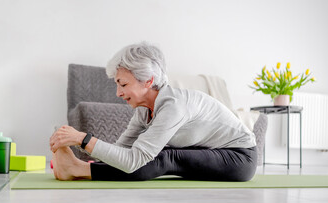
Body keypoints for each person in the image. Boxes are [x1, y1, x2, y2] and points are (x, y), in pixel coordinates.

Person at [50, 42, 257, 181]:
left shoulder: (173, 106)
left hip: (239, 157)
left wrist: (82, 139)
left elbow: (132, 162)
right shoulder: (144, 110)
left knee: (164, 157)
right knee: (151, 155)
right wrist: (85, 151)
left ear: (148, 81)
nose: (118, 93)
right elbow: (122, 150)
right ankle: (75, 167)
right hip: (212, 151)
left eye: (122, 84)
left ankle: (78, 170)